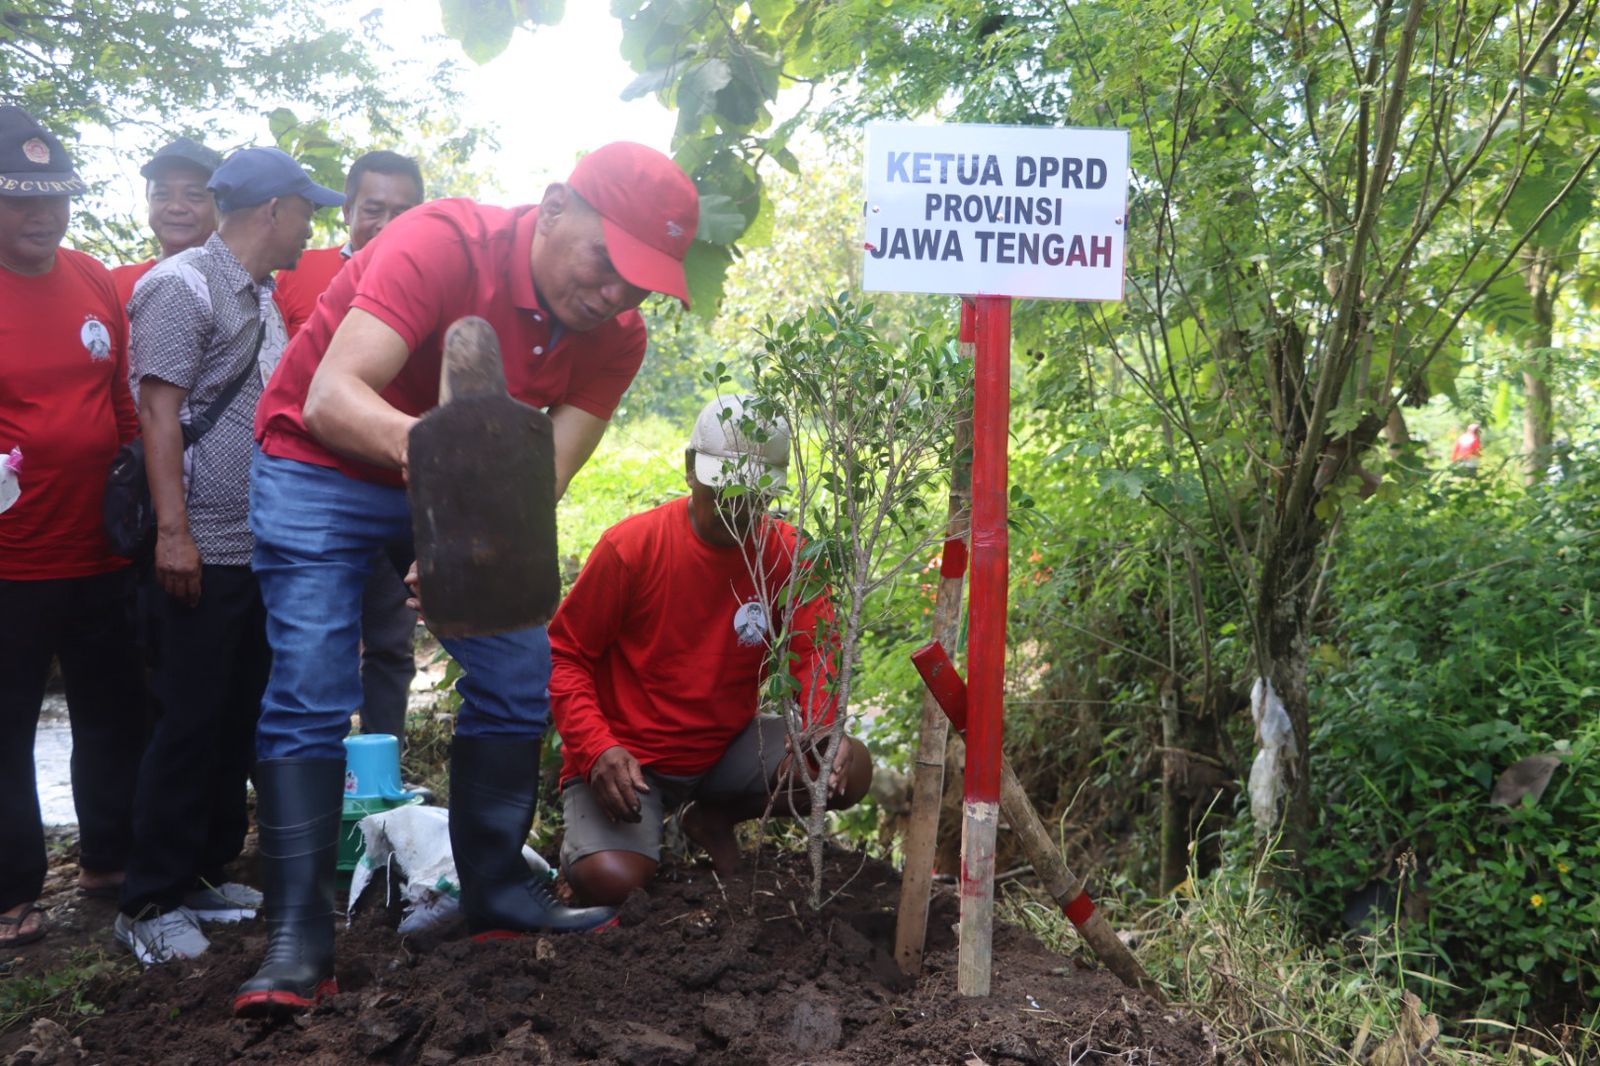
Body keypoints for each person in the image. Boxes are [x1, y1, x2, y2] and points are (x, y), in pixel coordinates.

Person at [235, 141, 699, 1017]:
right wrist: (447, 486)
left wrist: (464, 537)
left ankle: (493, 892)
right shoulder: (440, 242)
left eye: (638, 285)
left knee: (521, 669)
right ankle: (298, 937)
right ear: (556, 206)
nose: (613, 296)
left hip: (454, 481)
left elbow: (541, 478)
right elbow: (336, 396)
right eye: (607, 263)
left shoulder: (615, 340)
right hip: (319, 458)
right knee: (311, 679)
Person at [114, 148, 344, 964]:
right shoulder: (180, 286)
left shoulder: (262, 296)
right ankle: (147, 899)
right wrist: (173, 533)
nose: (313, 226)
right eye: (307, 209)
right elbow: (157, 415)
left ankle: (202, 871)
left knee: (234, 714)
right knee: (186, 719)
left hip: (257, 546)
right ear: (273, 210)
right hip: (199, 546)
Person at [550, 395, 872, 905]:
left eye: (751, 497)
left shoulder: (790, 554)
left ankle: (713, 817)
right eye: (721, 492)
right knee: (613, 879)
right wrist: (597, 748)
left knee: (845, 770)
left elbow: (818, 655)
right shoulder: (631, 549)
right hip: (628, 760)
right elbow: (565, 655)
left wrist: (821, 728)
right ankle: (578, 852)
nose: (734, 510)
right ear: (689, 471)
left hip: (724, 746)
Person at [0, 105, 147, 946]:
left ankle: (107, 858)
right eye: (22, 199)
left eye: (54, 197)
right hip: (9, 562)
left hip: (98, 551)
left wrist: (134, 483)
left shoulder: (92, 278)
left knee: (108, 713)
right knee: (7, 726)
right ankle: (12, 889)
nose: (43, 215)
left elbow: (120, 396)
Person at [274, 149, 427, 743]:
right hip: (312, 492)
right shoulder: (295, 274)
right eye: (374, 209)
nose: (388, 223)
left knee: (390, 643)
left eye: (404, 210)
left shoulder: (431, 278)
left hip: (393, 483)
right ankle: (322, 781)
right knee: (317, 649)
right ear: (347, 212)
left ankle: (381, 775)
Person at [110, 137, 223, 309]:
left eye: (194, 195)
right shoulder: (112, 286)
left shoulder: (249, 289)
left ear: (220, 203)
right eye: (162, 194)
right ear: (148, 198)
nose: (176, 207)